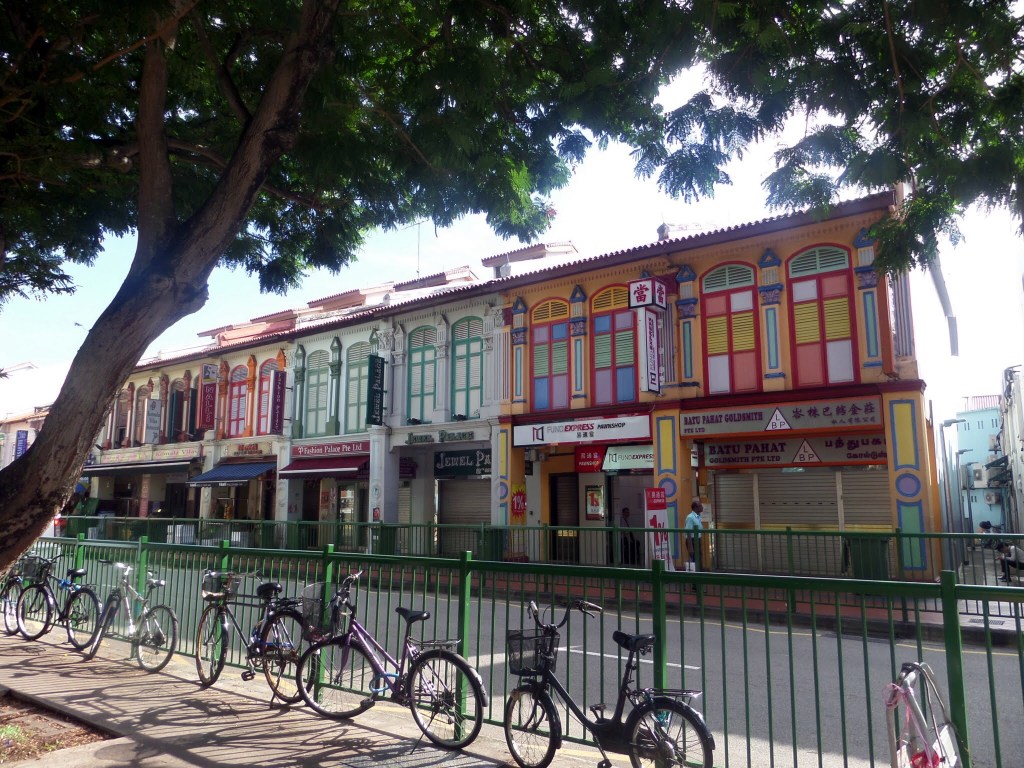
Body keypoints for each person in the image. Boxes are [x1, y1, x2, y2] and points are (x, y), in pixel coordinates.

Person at [684, 499, 704, 572]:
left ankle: (699, 577)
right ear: (695, 507)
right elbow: (688, 532)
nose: (702, 507)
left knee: (699, 559)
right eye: (700, 506)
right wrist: (690, 547)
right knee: (695, 560)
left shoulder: (698, 517)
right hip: (692, 541)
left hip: (697, 540)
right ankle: (695, 580)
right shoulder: (690, 517)